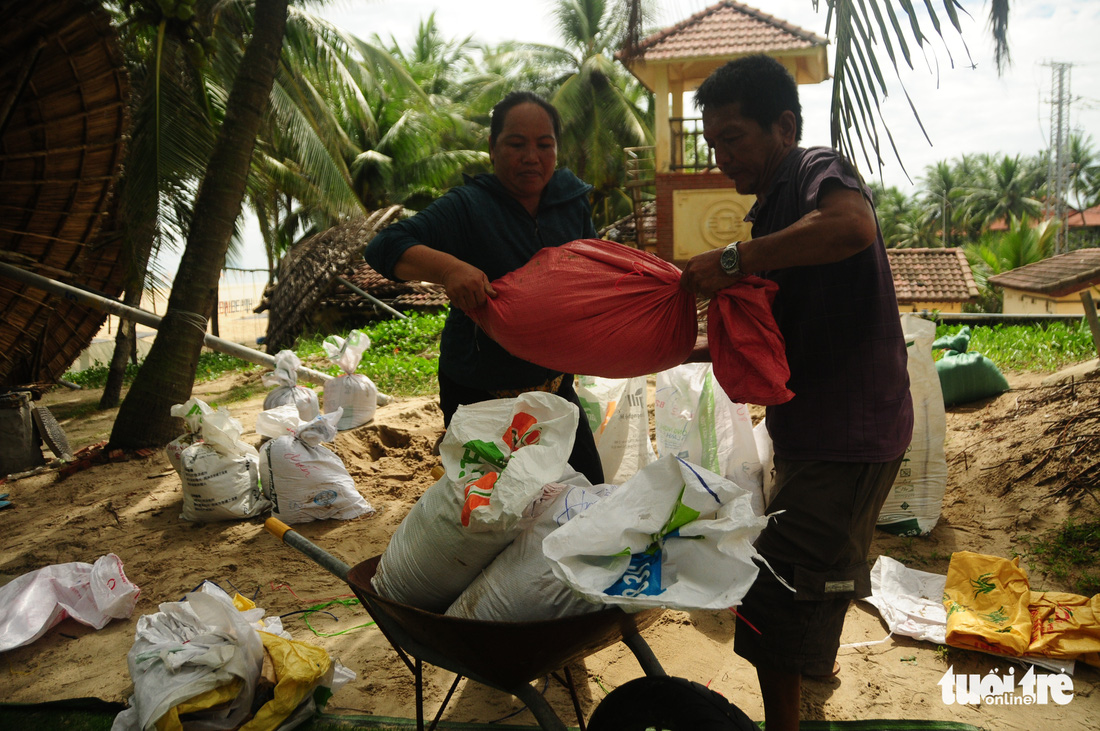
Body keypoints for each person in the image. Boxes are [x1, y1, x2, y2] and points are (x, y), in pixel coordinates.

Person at [679, 55, 914, 730]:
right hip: (817, 429)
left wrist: (730, 261)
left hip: (848, 433)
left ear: (783, 126)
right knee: (819, 570)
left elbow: (852, 228)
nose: (722, 156)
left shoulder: (817, 169)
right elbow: (773, 333)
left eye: (734, 137)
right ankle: (818, 665)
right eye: (713, 143)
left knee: (773, 597)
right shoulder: (772, 209)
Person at [364, 91, 604, 485]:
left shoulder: (572, 202)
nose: (532, 156)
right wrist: (449, 268)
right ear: (492, 148)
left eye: (545, 145)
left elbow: (594, 269)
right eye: (516, 143)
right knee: (493, 510)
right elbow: (384, 246)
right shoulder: (467, 205)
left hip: (554, 391)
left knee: (588, 490)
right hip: (478, 393)